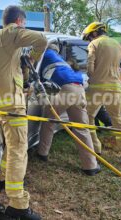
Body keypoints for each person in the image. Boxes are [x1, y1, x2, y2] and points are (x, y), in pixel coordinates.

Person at [0, 5, 47, 220]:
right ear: (19, 21)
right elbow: (41, 40)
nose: (24, 27)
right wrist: (33, 59)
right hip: (12, 103)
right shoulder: (12, 33)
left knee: (10, 145)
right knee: (19, 148)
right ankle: (18, 205)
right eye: (24, 24)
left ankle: (3, 179)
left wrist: (22, 68)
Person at [36, 43, 100, 176]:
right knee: (82, 128)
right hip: (79, 89)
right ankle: (90, 166)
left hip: (65, 90)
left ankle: (42, 153)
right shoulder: (60, 59)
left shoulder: (43, 55)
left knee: (49, 121)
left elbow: (35, 75)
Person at [82, 22, 121, 166]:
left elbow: (90, 64)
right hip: (114, 87)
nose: (89, 40)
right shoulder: (117, 44)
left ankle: (95, 148)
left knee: (88, 116)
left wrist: (92, 75)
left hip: (97, 87)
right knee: (117, 119)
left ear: (94, 33)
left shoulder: (94, 44)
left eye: (89, 37)